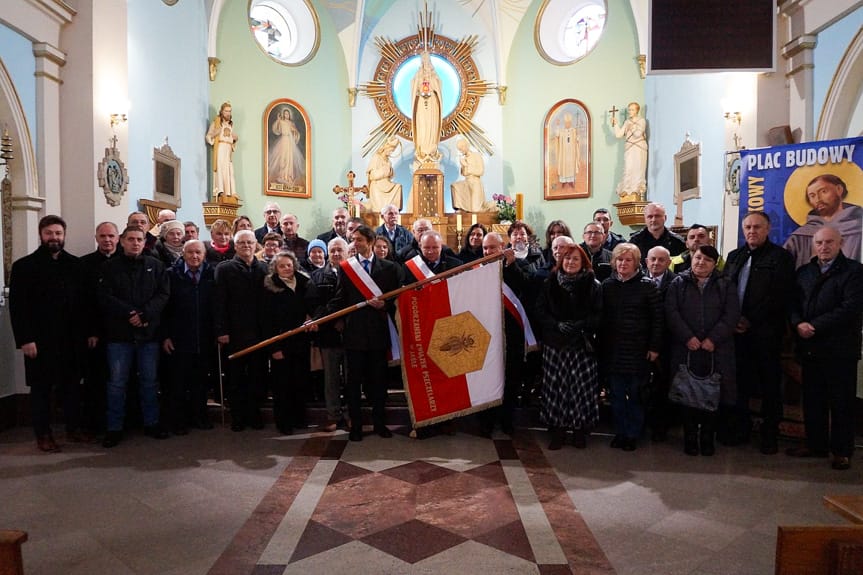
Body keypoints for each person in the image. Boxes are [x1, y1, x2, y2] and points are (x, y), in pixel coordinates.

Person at [9, 215, 89, 452]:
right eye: (49, 233)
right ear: (41, 234)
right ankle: (43, 435)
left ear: (64, 236)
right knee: (41, 389)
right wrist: (25, 339)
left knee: (73, 387)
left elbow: (84, 304)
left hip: (71, 340)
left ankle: (73, 430)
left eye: (58, 233)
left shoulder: (75, 265)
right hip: (39, 341)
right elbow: (18, 307)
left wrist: (88, 333)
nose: (54, 238)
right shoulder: (24, 266)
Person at [787, 226, 863, 470]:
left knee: (841, 402)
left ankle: (842, 451)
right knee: (813, 399)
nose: (823, 247)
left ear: (840, 244)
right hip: (809, 347)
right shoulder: (805, 272)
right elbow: (792, 303)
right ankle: (815, 444)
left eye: (829, 242)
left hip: (840, 348)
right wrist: (798, 323)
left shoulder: (854, 272)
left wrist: (815, 326)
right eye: (819, 243)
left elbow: (851, 307)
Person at [723, 211, 795, 454]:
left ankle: (769, 435)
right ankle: (740, 430)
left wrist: (750, 320)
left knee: (769, 385)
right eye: (748, 227)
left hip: (765, 333)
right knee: (740, 384)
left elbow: (779, 295)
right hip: (736, 333)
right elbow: (726, 292)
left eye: (757, 227)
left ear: (768, 229)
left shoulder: (781, 258)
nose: (752, 231)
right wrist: (734, 319)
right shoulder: (735, 256)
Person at [326, 225, 403, 441]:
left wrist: (385, 305)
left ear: (370, 241)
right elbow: (340, 298)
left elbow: (398, 299)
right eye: (353, 239)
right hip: (355, 334)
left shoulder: (390, 268)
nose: (355, 243)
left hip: (379, 333)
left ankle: (380, 424)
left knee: (379, 382)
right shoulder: (347, 268)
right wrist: (320, 317)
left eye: (359, 239)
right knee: (353, 382)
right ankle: (357, 426)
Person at [98, 225, 171, 447]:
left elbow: (163, 294)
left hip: (148, 335)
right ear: (122, 241)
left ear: (144, 241)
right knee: (117, 384)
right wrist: (129, 313)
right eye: (131, 239)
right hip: (120, 335)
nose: (135, 243)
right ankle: (114, 428)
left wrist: (144, 314)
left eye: (139, 239)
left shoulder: (156, 266)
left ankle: (151, 423)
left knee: (149, 382)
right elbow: (104, 296)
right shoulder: (109, 267)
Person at [665, 245, 739, 456]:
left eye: (707, 260)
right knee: (687, 392)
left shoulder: (725, 284)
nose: (701, 262)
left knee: (712, 393)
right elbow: (671, 312)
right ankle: (690, 437)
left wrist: (713, 339)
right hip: (686, 347)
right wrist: (688, 337)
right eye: (698, 258)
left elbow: (731, 314)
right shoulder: (678, 282)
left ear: (715, 263)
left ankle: (707, 437)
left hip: (716, 349)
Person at [536, 244, 602, 450]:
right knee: (556, 389)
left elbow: (599, 314)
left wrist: (581, 325)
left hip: (582, 345)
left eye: (575, 259)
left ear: (583, 262)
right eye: (567, 258)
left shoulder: (594, 284)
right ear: (560, 261)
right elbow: (540, 311)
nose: (570, 262)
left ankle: (579, 430)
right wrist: (556, 325)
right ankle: (558, 431)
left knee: (581, 389)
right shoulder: (550, 283)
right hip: (556, 344)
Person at [599, 243, 663, 451]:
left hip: (638, 350)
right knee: (616, 395)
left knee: (636, 394)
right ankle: (620, 432)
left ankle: (633, 433)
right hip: (614, 350)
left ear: (636, 263)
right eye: (619, 259)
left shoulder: (648, 286)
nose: (623, 263)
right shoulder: (607, 286)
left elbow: (658, 320)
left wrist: (654, 347)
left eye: (628, 260)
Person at [213, 229, 269, 431]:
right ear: (235, 246)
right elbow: (219, 302)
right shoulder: (224, 268)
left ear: (256, 245)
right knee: (235, 377)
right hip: (234, 333)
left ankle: (254, 414)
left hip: (258, 333)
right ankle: (238, 416)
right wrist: (221, 330)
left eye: (250, 242)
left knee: (257, 375)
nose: (246, 246)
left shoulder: (264, 268)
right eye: (242, 243)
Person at [479, 232, 533, 436]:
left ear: (503, 247)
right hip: (487, 334)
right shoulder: (476, 271)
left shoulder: (518, 265)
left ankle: (507, 420)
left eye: (492, 247)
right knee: (487, 379)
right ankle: (486, 422)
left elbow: (526, 288)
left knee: (511, 378)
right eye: (485, 248)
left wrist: (512, 266)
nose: (487, 252)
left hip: (512, 335)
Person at [162, 239, 216, 434]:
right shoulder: (171, 275)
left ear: (204, 255)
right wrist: (166, 335)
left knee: (200, 382)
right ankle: (178, 421)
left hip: (204, 338)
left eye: (198, 253)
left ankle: (200, 417)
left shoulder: (211, 274)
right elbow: (164, 309)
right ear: (183, 254)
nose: (195, 256)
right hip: (178, 338)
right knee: (178, 382)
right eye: (190, 252)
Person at [262, 251, 314, 435]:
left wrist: (310, 316)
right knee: (282, 385)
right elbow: (266, 321)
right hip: (281, 344)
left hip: (301, 342)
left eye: (289, 265)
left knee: (300, 381)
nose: (286, 268)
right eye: (282, 266)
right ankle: (284, 422)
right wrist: (273, 348)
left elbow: (311, 307)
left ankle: (299, 418)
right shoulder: (270, 288)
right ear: (275, 268)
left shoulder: (304, 284)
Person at [80, 221, 120, 434]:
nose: (107, 240)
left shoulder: (126, 261)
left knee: (121, 379)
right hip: (97, 332)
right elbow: (83, 302)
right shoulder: (84, 265)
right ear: (96, 238)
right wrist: (91, 330)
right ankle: (95, 423)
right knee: (95, 379)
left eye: (111, 236)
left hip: (121, 331)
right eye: (103, 236)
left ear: (117, 238)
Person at [307, 237, 349, 431]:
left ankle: (350, 414)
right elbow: (314, 305)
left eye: (340, 250)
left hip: (352, 334)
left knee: (352, 378)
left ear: (347, 252)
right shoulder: (316, 276)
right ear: (326, 253)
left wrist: (344, 321)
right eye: (332, 251)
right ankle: (333, 414)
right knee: (330, 379)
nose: (336, 254)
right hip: (328, 335)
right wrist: (333, 321)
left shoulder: (355, 274)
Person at [784, 174, 863, 269]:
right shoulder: (800, 236)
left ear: (839, 189)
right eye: (812, 196)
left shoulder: (859, 227)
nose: (818, 199)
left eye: (823, 191)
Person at [410, 50, 442, 167]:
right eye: (424, 61)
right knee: (422, 125)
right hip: (421, 105)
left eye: (427, 61)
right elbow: (413, 87)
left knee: (431, 125)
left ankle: (431, 150)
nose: (426, 63)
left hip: (432, 103)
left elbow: (438, 87)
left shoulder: (434, 76)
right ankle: (422, 150)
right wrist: (419, 82)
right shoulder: (417, 75)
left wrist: (432, 82)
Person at [629, 202, 686, 266]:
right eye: (650, 216)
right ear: (645, 219)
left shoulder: (677, 241)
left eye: (657, 216)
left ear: (665, 218)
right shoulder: (635, 241)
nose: (653, 220)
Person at [611, 101, 648, 201]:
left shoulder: (642, 121)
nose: (630, 112)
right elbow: (619, 134)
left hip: (639, 148)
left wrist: (632, 126)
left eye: (632, 109)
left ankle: (637, 191)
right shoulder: (627, 122)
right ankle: (627, 191)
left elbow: (638, 134)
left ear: (637, 110)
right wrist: (615, 124)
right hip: (629, 148)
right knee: (628, 168)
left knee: (638, 169)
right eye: (629, 110)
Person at [205, 101, 238, 200]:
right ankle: (220, 190)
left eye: (230, 111)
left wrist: (235, 139)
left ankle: (230, 192)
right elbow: (208, 136)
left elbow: (232, 139)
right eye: (226, 111)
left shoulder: (230, 125)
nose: (228, 113)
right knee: (220, 168)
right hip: (220, 147)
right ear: (222, 112)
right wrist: (216, 132)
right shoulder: (216, 123)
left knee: (229, 170)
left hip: (228, 148)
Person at [268, 106, 305, 187]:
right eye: (285, 114)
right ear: (283, 115)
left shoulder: (291, 123)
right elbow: (276, 130)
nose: (286, 115)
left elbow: (296, 133)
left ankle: (288, 176)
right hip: (283, 140)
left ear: (289, 115)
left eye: (287, 114)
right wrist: (278, 120)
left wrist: (294, 132)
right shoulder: (281, 121)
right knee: (283, 158)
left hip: (290, 141)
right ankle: (282, 176)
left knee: (289, 158)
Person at [367, 137, 403, 212]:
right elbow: (372, 175)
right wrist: (385, 171)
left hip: (386, 184)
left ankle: (393, 211)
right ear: (385, 147)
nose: (391, 152)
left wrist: (390, 171)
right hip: (378, 186)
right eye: (390, 150)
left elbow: (390, 175)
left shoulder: (388, 160)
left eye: (392, 151)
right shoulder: (376, 157)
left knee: (398, 187)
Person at [450, 138, 485, 212]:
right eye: (459, 149)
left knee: (476, 210)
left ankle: (493, 206)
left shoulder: (476, 155)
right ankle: (461, 208)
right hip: (467, 182)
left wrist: (466, 165)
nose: (461, 150)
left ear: (467, 146)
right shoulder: (464, 158)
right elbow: (464, 174)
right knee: (455, 186)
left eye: (462, 147)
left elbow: (480, 171)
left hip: (475, 183)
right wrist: (462, 165)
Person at [553, 113, 580, 189]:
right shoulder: (562, 131)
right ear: (564, 123)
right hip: (564, 153)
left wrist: (577, 135)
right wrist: (557, 125)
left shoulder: (573, 131)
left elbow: (577, 140)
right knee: (564, 166)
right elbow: (557, 135)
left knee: (571, 166)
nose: (567, 124)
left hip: (571, 153)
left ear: (570, 123)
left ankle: (571, 181)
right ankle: (564, 181)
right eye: (566, 123)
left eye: (569, 123)